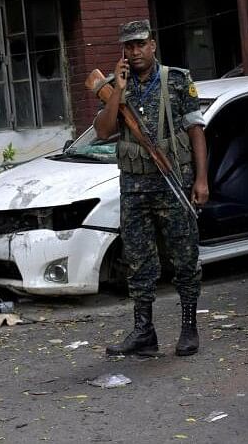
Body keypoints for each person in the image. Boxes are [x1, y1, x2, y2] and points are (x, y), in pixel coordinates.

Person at [93, 19, 208, 357]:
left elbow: (196, 131)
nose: (135, 51)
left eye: (141, 44)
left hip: (174, 182)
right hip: (135, 188)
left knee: (185, 257)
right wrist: (118, 91)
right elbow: (102, 131)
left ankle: (189, 328)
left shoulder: (177, 80)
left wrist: (201, 179)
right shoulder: (117, 85)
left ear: (153, 45)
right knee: (138, 261)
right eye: (129, 46)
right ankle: (144, 331)